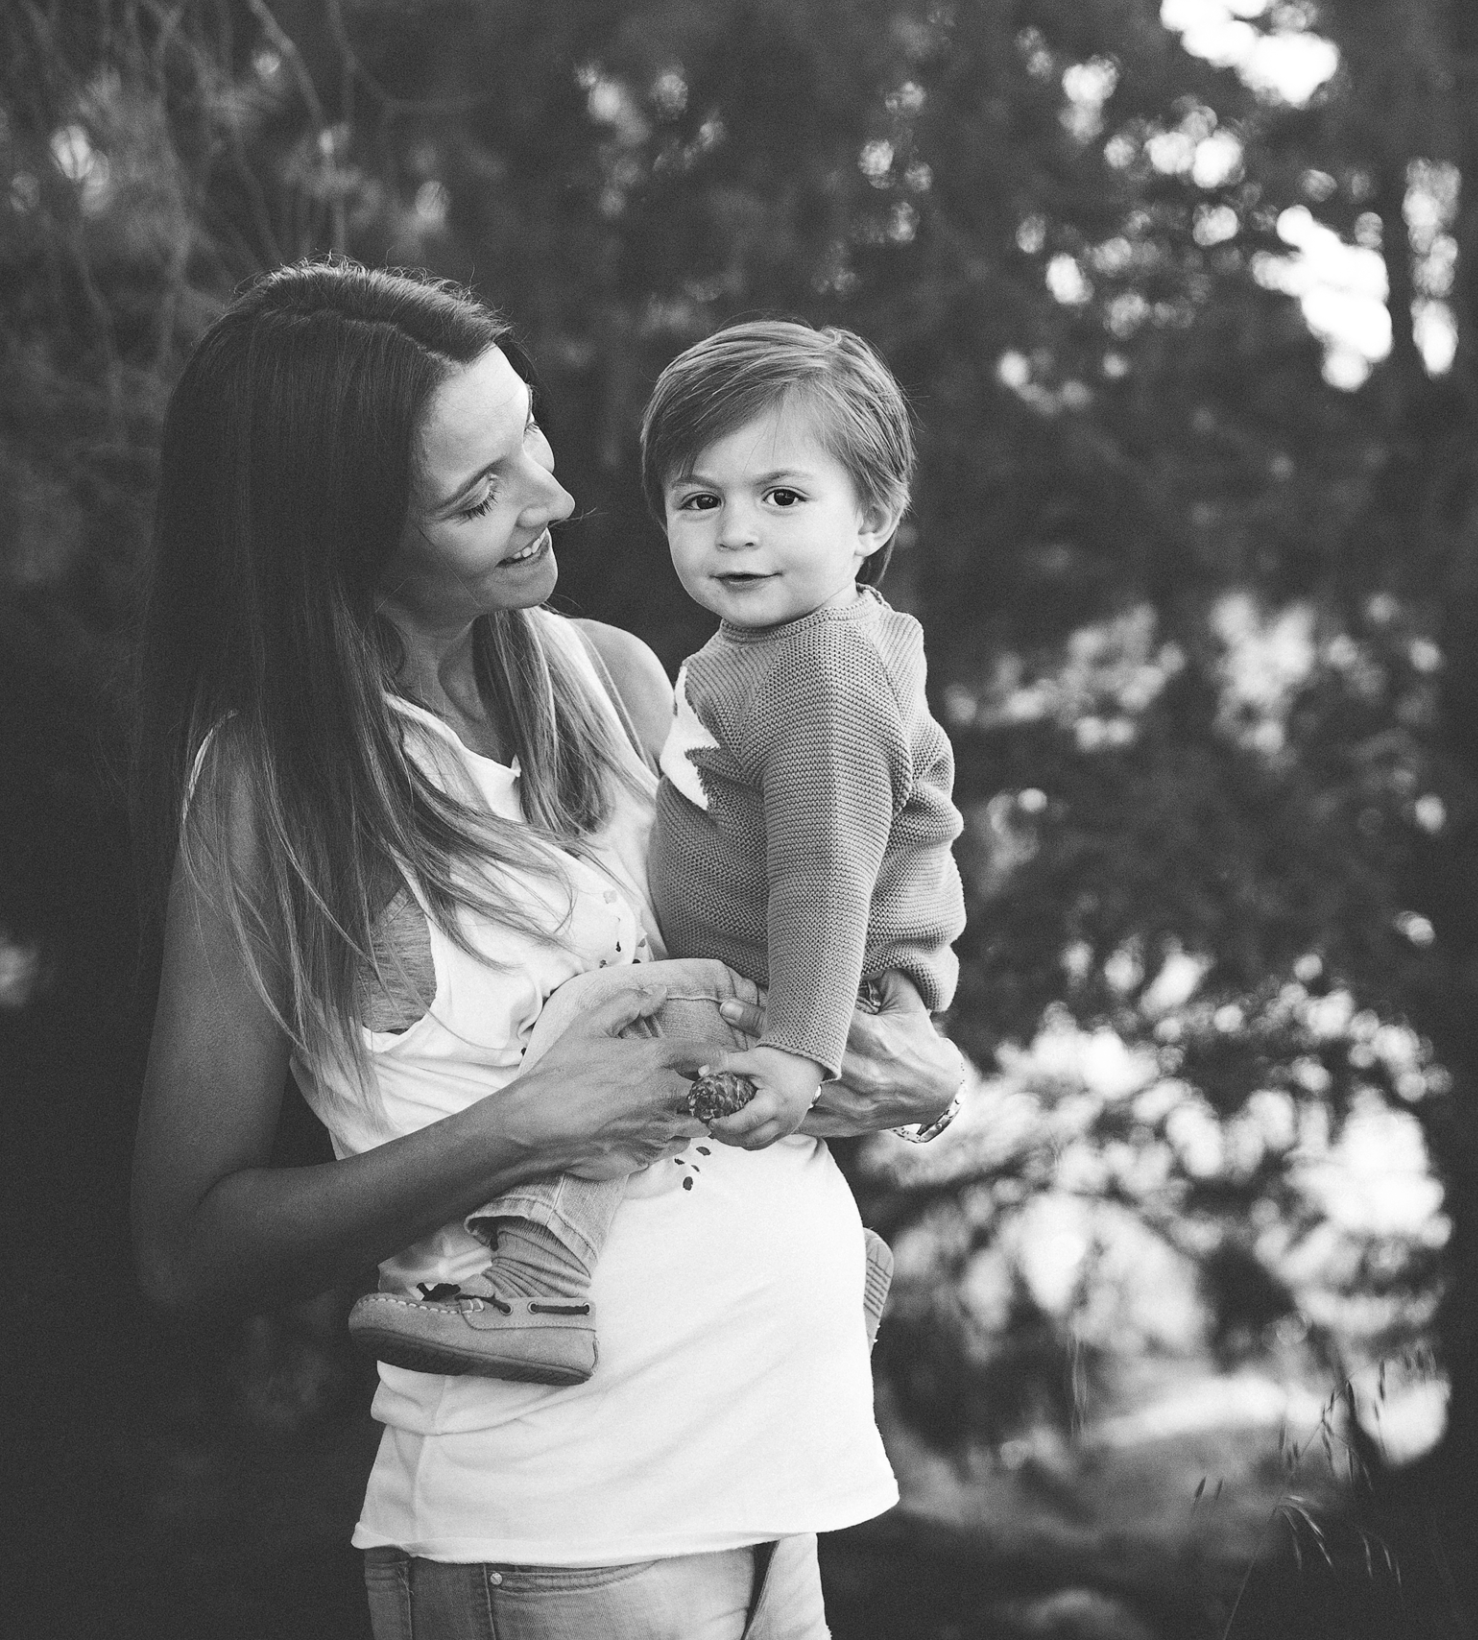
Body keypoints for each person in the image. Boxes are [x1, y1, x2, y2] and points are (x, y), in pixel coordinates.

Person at [132, 262, 966, 1640]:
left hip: (778, 1507)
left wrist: (915, 1071)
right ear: (338, 536)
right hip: (558, 1545)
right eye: (480, 493)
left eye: (529, 432)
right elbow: (188, 1247)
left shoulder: (624, 677)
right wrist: (526, 1123)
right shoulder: (273, 792)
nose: (557, 497)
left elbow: (806, 929)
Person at [359, 320, 965, 1386]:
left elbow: (825, 874)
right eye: (699, 500)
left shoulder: (824, 671)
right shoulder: (773, 644)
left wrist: (801, 1049)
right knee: (628, 1033)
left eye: (783, 497)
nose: (737, 533)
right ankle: (840, 1270)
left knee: (619, 1038)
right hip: (790, 973)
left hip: (811, 978)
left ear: (872, 517)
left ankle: (542, 1285)